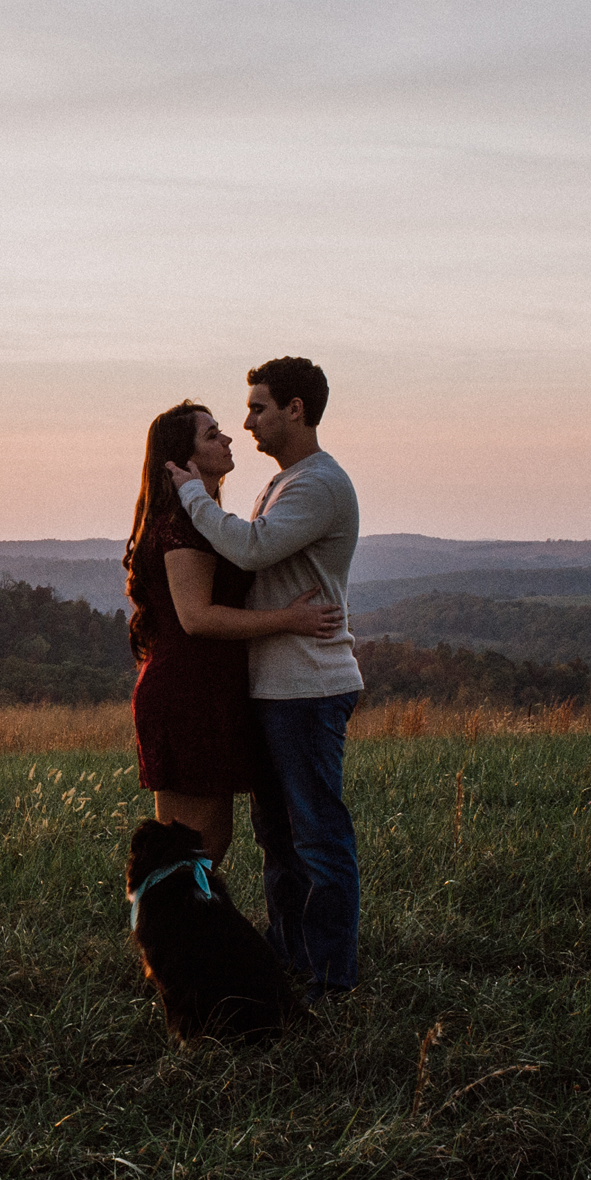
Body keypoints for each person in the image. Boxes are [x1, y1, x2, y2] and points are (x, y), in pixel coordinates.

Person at [164, 358, 364, 1003]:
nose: (247, 422)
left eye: (257, 408)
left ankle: (331, 978)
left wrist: (191, 493)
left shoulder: (317, 485)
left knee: (316, 836)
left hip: (307, 687)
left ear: (296, 409)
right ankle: (290, 959)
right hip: (277, 687)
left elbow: (248, 551)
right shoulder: (282, 485)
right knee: (278, 839)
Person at [126, 399, 344, 865]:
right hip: (190, 695)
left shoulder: (203, 520)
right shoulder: (184, 526)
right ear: (182, 460)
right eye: (212, 434)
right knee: (195, 851)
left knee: (196, 849)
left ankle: (176, 936)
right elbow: (197, 617)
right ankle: (176, 936)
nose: (227, 438)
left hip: (205, 692)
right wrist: (288, 619)